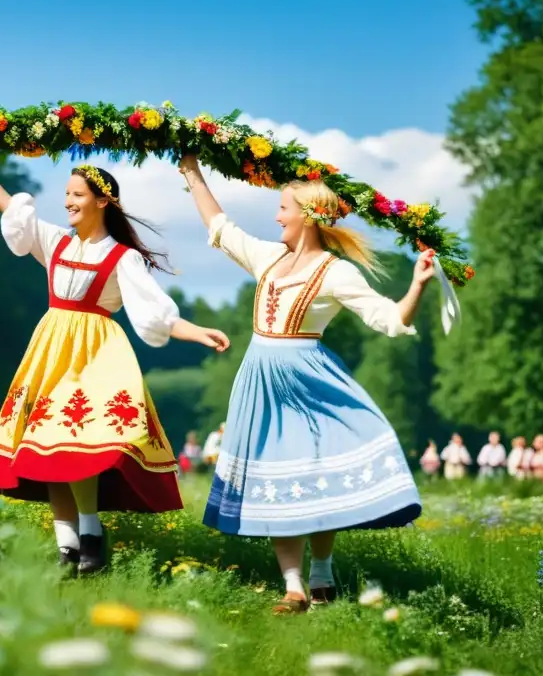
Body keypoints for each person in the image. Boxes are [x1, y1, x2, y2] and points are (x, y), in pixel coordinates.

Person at [178, 153, 430, 615]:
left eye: (283, 208)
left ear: (308, 217)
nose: (277, 216)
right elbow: (219, 226)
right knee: (279, 475)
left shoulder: (336, 271)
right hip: (260, 379)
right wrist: (192, 171)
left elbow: (389, 318)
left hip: (308, 379)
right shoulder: (269, 257)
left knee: (315, 473)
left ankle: (321, 572)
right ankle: (293, 586)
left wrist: (417, 285)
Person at [0, 148, 229, 575]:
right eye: (66, 193)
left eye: (77, 194)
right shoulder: (54, 241)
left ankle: (90, 533)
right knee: (46, 448)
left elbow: (155, 311)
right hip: (50, 354)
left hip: (94, 358)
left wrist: (197, 332)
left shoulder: (123, 257)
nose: (67, 201)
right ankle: (67, 547)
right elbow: (8, 204)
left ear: (102, 201)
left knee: (76, 445)